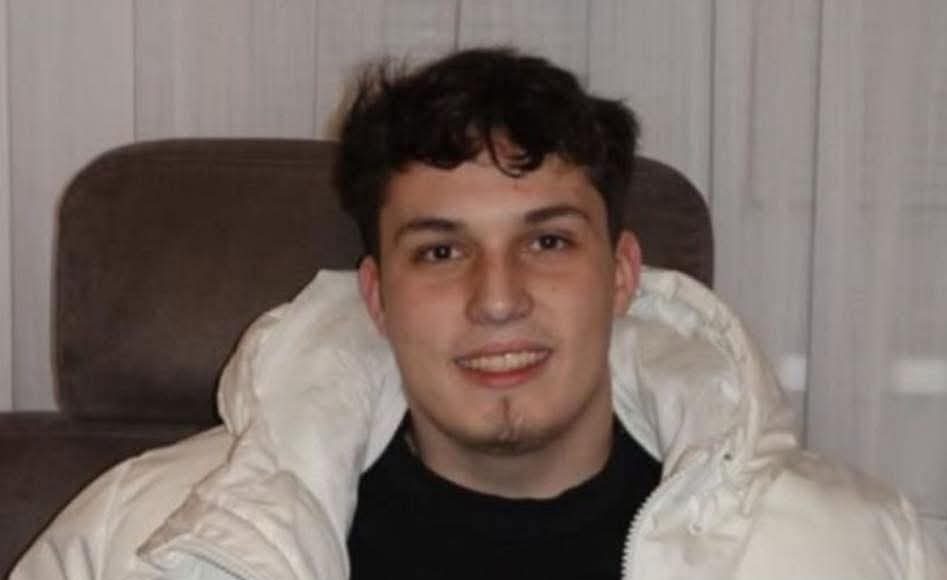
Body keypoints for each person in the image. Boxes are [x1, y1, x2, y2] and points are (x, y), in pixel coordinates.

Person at [11, 48, 944, 580]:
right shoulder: (147, 541)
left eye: (548, 241)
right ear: (376, 297)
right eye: (440, 251)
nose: (497, 299)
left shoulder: (847, 548)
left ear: (622, 275)